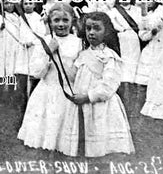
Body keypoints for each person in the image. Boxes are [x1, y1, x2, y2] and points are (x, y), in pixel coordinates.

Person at [57, 12, 134, 157]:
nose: (91, 32)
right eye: (88, 28)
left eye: (96, 28)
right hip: (82, 105)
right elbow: (72, 77)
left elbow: (108, 87)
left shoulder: (109, 56)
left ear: (106, 32)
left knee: (100, 145)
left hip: (101, 107)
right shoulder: (83, 54)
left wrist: (87, 97)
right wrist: (57, 55)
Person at [18, 3, 82, 151]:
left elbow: (78, 72)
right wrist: (49, 53)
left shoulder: (78, 43)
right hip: (46, 92)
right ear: (50, 22)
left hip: (67, 92)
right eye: (56, 20)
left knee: (64, 134)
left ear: (72, 21)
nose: (61, 24)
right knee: (46, 131)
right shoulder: (44, 42)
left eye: (65, 20)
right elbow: (36, 72)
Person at [106, 0, 143, 116]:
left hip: (135, 41)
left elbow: (141, 23)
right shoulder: (114, 11)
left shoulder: (137, 10)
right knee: (123, 71)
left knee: (134, 70)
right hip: (121, 40)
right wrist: (121, 29)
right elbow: (112, 23)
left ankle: (133, 106)